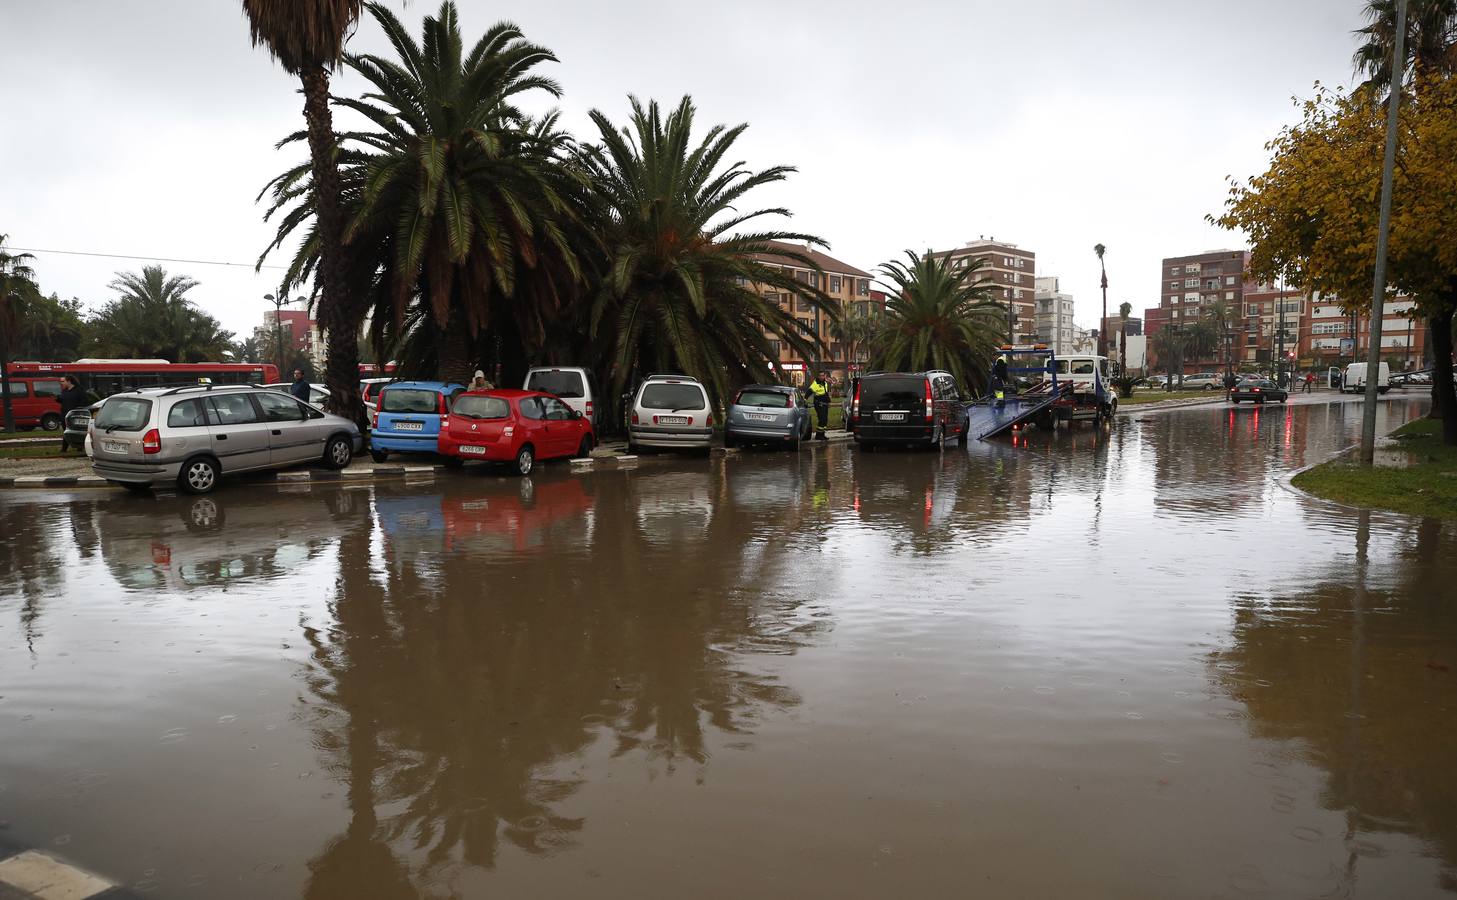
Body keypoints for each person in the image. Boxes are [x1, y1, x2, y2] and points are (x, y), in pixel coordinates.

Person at [57, 376, 88, 452]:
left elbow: (83, 401)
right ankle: (65, 449)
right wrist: (57, 399)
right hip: (65, 414)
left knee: (77, 431)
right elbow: (64, 400)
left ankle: (78, 447)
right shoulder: (65, 391)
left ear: (69, 381)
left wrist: (80, 411)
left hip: (75, 415)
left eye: (64, 381)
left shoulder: (79, 390)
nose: (62, 383)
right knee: (66, 431)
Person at [808, 370, 831, 440]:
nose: (821, 377)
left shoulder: (825, 383)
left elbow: (825, 393)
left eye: (823, 375)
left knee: (825, 420)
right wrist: (805, 399)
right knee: (822, 419)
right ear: (818, 376)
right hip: (819, 404)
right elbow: (809, 391)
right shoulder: (816, 383)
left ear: (824, 376)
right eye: (820, 375)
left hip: (825, 404)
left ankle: (822, 434)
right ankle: (818, 435)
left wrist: (828, 402)